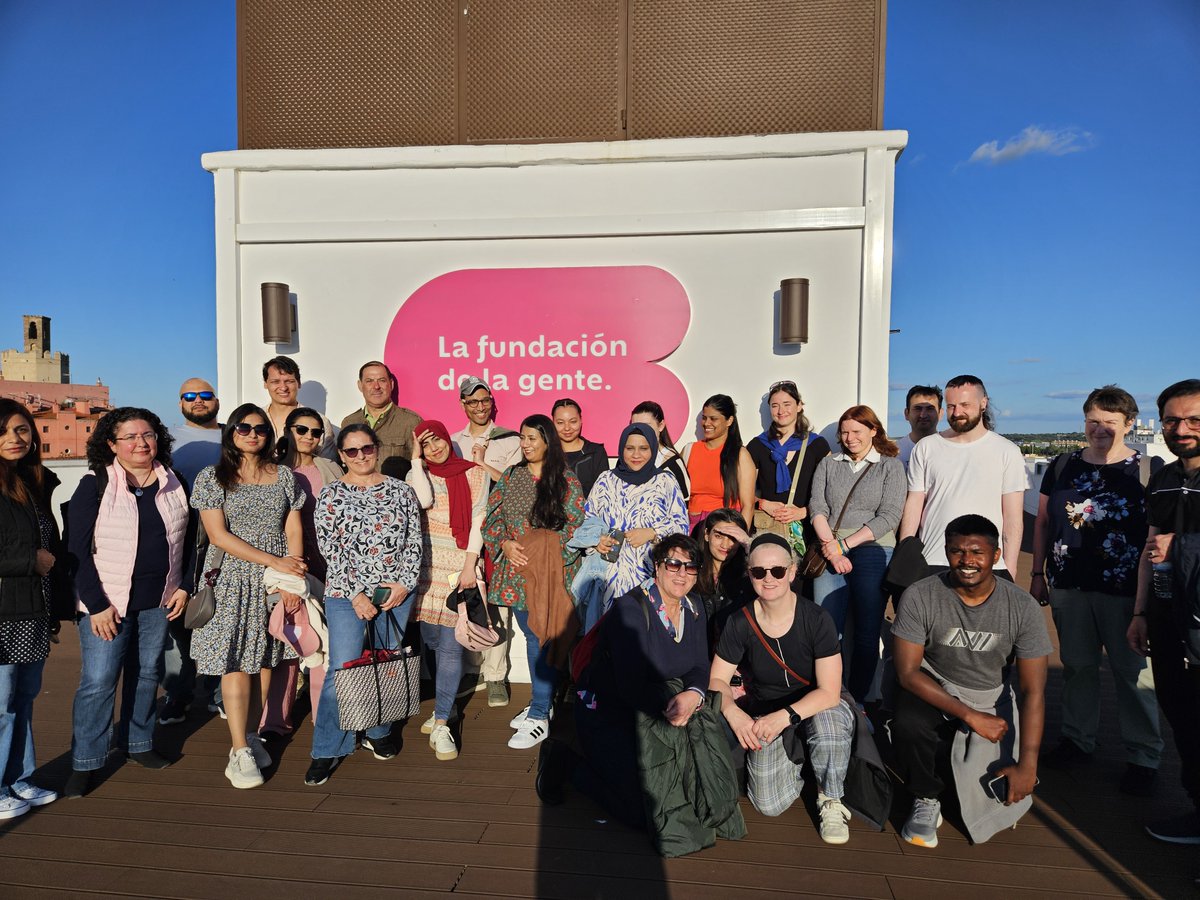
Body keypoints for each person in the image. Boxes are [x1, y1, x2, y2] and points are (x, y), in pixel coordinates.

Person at [545, 535, 745, 856]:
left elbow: (698, 664)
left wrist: (694, 693)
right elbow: (629, 683)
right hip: (610, 714)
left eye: (691, 566)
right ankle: (568, 764)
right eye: (673, 564)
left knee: (685, 792)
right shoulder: (631, 609)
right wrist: (675, 710)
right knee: (643, 812)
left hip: (657, 710)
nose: (682, 573)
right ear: (657, 567)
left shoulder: (693, 608)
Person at [889, 515, 1052, 848]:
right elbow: (907, 673)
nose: (966, 561)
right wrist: (969, 715)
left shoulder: (1022, 607)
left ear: (995, 556)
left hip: (990, 693)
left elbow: (1033, 691)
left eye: (977, 552)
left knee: (996, 794)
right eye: (956, 551)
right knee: (908, 721)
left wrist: (1027, 766)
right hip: (931, 682)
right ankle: (925, 795)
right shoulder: (920, 595)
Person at [1031, 385, 1161, 795]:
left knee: (1133, 674)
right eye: (1093, 421)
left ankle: (1143, 756)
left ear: (1127, 424)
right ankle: (1078, 740)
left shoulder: (1147, 470)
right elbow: (1042, 523)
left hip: (1125, 590)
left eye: (1110, 422)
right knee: (1078, 667)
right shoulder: (1063, 464)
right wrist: (1037, 573)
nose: (1100, 429)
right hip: (1069, 583)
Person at [64, 407, 190, 798]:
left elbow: (189, 543)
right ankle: (86, 762)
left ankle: (138, 743)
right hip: (107, 605)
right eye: (130, 437)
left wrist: (183, 585)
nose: (141, 443)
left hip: (158, 599)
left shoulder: (174, 481)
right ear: (112, 444)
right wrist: (96, 604)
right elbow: (77, 552)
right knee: (99, 681)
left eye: (148, 435)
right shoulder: (95, 484)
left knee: (146, 674)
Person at [709, 533, 857, 845]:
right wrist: (734, 713)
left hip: (816, 705)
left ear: (791, 572)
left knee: (828, 724)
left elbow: (829, 692)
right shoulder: (739, 621)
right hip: (767, 709)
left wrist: (785, 717)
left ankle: (830, 797)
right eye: (758, 571)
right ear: (749, 575)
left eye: (777, 571)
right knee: (767, 804)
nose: (769, 578)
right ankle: (807, 760)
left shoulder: (816, 618)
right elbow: (717, 680)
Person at [189, 403, 307, 790]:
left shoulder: (285, 476)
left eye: (259, 428)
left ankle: (253, 735)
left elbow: (293, 528)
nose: (252, 433)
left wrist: (291, 573)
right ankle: (238, 749)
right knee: (236, 662)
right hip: (232, 577)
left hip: (274, 579)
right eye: (243, 427)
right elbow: (218, 535)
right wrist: (274, 560)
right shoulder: (213, 477)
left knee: (267, 661)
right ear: (231, 433)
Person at [307, 424, 422, 785]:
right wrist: (356, 594)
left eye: (366, 449)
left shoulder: (402, 491)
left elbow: (415, 541)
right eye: (351, 451)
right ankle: (327, 748)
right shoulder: (330, 496)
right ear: (341, 455)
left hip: (395, 594)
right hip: (345, 595)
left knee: (386, 664)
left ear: (376, 449)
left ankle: (378, 730)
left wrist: (403, 585)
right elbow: (330, 550)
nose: (361, 456)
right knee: (342, 671)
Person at [484, 413, 585, 750]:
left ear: (547, 442)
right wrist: (505, 544)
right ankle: (543, 703)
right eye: (522, 439)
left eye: (532, 439)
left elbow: (576, 527)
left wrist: (544, 549)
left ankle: (540, 712)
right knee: (533, 635)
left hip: (550, 575)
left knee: (540, 638)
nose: (525, 445)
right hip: (517, 573)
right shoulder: (511, 477)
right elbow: (492, 518)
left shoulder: (565, 481)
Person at [1128, 378, 1200, 844]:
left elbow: (1168, 544)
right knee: (1182, 716)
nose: (1182, 428)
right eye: (1172, 419)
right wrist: (1139, 613)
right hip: (1168, 615)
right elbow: (1148, 546)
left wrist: (1184, 545)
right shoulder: (1165, 477)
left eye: (1194, 419)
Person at [809, 405, 905, 704]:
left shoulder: (890, 465)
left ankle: (859, 700)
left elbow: (889, 515)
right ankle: (830, 695)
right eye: (845, 432)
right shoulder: (829, 463)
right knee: (827, 627)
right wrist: (830, 546)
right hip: (830, 547)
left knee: (866, 629)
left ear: (874, 431)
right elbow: (817, 507)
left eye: (857, 432)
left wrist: (845, 545)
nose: (849, 438)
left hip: (874, 549)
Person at [407, 419, 489, 762]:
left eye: (438, 440)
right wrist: (416, 459)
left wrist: (470, 566)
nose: (435, 448)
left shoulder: (473, 472)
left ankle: (442, 721)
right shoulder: (417, 475)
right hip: (425, 568)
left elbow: (479, 517)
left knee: (451, 647)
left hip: (457, 568)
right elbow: (422, 500)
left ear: (446, 439)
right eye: (426, 444)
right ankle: (447, 704)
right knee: (432, 642)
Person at [0, 400, 62, 817]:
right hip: (3, 614)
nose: (13, 439)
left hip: (32, 612)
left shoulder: (33, 483)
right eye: (3, 432)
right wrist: (30, 562)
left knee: (23, 700)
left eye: (21, 430)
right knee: (0, 706)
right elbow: (31, 554)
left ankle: (17, 778)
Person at [898, 375, 1026, 576]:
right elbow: (914, 505)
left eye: (965, 404)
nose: (957, 412)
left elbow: (1012, 518)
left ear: (983, 403)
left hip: (988, 565)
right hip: (931, 561)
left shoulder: (1007, 451)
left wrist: (1009, 568)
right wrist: (904, 555)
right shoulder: (926, 447)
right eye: (951, 406)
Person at [266, 406, 344, 734]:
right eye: (302, 430)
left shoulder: (331, 468)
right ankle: (274, 723)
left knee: (323, 644)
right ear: (288, 430)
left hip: (328, 569)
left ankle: (323, 718)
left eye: (316, 432)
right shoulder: (272, 470)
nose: (309, 437)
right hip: (287, 568)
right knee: (288, 642)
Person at [451, 375, 523, 707]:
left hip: (497, 531)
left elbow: (514, 486)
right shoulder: (452, 442)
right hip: (462, 534)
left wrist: (481, 463)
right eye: (472, 402)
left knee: (495, 602)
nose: (479, 407)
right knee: (467, 598)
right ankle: (472, 670)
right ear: (463, 404)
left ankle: (495, 676)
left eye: (484, 401)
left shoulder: (510, 440)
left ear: (491, 402)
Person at [158, 377, 224, 727]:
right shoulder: (165, 440)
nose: (198, 401)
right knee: (176, 614)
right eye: (190, 396)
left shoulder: (234, 435)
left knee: (218, 609)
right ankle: (177, 694)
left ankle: (217, 692)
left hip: (222, 537)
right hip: (179, 535)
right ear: (181, 401)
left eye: (205, 395)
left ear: (216, 399)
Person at [586, 423, 688, 604]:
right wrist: (596, 541)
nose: (636, 455)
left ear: (653, 450)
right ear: (621, 449)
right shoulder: (605, 480)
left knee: (648, 627)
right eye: (629, 448)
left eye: (643, 448)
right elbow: (588, 520)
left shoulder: (665, 481)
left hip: (651, 577)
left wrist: (652, 532)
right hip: (608, 579)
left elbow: (681, 525)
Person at [747, 381, 831, 541]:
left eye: (787, 404)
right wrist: (764, 504)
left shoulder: (817, 445)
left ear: (799, 406)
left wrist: (804, 511)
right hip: (767, 528)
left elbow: (831, 493)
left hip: (807, 530)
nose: (781, 411)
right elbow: (742, 491)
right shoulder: (757, 445)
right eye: (775, 405)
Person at [684, 394, 756, 530]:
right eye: (704, 418)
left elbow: (748, 506)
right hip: (690, 529)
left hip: (724, 529)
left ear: (729, 421)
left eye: (713, 419)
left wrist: (738, 540)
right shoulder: (689, 450)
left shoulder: (740, 455)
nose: (706, 423)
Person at [340, 360, 420, 480]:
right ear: (360, 386)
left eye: (382, 380)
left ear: (391, 384)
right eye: (369, 381)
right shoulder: (349, 423)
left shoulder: (410, 422)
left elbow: (421, 466)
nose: (376, 386)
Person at [692, 508, 753, 651]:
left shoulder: (748, 577)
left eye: (733, 538)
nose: (725, 545)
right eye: (719, 536)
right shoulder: (689, 571)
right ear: (707, 534)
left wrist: (748, 544)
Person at [262, 356, 336, 459]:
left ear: (299, 383)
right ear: (265, 384)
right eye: (275, 381)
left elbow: (328, 466)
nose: (283, 388)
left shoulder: (322, 422)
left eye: (289, 381)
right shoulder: (255, 419)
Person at [630, 400, 689, 498]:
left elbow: (684, 502)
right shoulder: (626, 458)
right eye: (635, 426)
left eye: (646, 426)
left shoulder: (672, 463)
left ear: (661, 426)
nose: (640, 431)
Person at [552, 398, 609, 497]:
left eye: (573, 421)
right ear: (553, 423)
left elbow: (602, 493)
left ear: (581, 420)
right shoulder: (546, 453)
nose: (567, 428)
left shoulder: (596, 452)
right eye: (560, 423)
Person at [895, 385, 942, 469]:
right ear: (906, 413)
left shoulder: (950, 449)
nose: (923, 415)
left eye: (930, 409)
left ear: (940, 413)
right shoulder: (895, 452)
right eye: (918, 408)